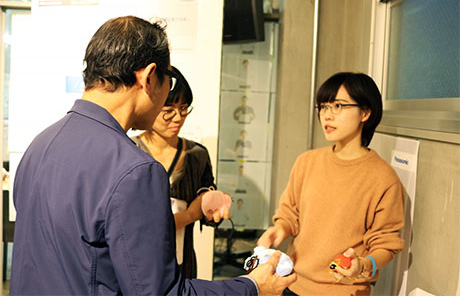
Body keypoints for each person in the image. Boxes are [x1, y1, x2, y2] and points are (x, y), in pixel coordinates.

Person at [10, 15, 296, 295]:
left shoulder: (40, 146)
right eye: (168, 82)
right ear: (148, 77)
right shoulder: (134, 169)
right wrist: (252, 286)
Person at [257, 72, 405, 295]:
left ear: (365, 113)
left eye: (338, 106)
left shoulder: (383, 178)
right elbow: (290, 215)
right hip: (292, 284)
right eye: (323, 107)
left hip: (344, 291)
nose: (327, 115)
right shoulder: (306, 162)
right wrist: (279, 229)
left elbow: (386, 244)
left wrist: (363, 265)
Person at [130, 66, 219, 279]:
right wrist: (188, 215)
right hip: (138, 267)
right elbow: (137, 224)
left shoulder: (197, 155)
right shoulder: (129, 151)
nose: (178, 117)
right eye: (168, 110)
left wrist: (213, 209)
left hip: (182, 266)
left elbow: (207, 209)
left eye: (184, 108)